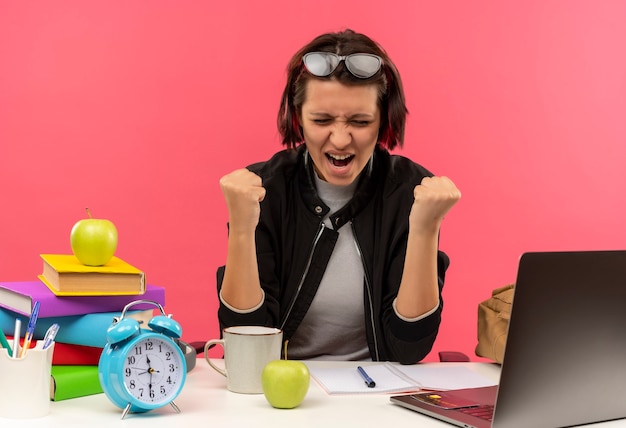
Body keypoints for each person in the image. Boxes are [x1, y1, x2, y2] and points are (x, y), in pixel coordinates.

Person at [217, 29, 461, 364]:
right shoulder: (263, 189)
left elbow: (408, 348)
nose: (341, 139)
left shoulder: (412, 191)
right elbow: (245, 343)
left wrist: (424, 228)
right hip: (279, 389)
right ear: (298, 118)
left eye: (360, 121)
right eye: (322, 120)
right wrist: (242, 229)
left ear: (383, 123)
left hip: (375, 393)